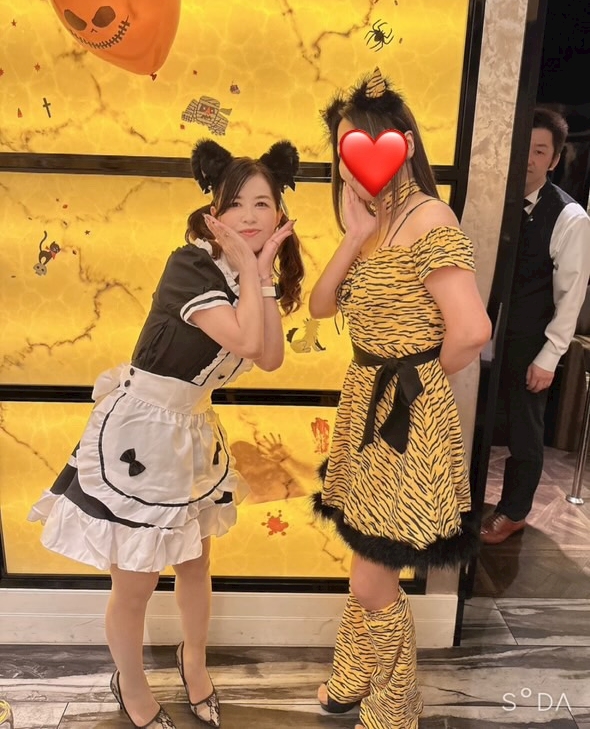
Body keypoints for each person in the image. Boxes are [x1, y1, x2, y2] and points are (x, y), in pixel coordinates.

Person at [28, 139, 304, 729]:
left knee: (196, 563)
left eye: (263, 204)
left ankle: (193, 661)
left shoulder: (246, 275)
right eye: (236, 204)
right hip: (143, 432)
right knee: (137, 581)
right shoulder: (190, 266)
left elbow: (272, 357)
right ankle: (129, 682)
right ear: (213, 212)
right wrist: (254, 269)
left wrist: (260, 275)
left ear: (280, 212)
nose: (250, 217)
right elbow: (247, 341)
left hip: (193, 429)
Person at [309, 67, 491, 729]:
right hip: (367, 401)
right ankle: (353, 676)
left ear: (403, 145)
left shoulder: (428, 217)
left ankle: (395, 706)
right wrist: (353, 236)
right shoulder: (373, 223)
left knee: (371, 575)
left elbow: (472, 330)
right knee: (368, 559)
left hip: (405, 414)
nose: (351, 161)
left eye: (363, 143)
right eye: (344, 148)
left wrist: (416, 382)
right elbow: (321, 305)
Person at [481, 107, 590, 544]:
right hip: (481, 336)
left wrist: (550, 356)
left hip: (530, 340)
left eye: (540, 151)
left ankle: (514, 512)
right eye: (521, 147)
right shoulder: (491, 201)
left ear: (555, 159)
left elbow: (571, 296)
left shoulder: (570, 218)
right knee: (477, 422)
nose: (527, 158)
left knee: (524, 432)